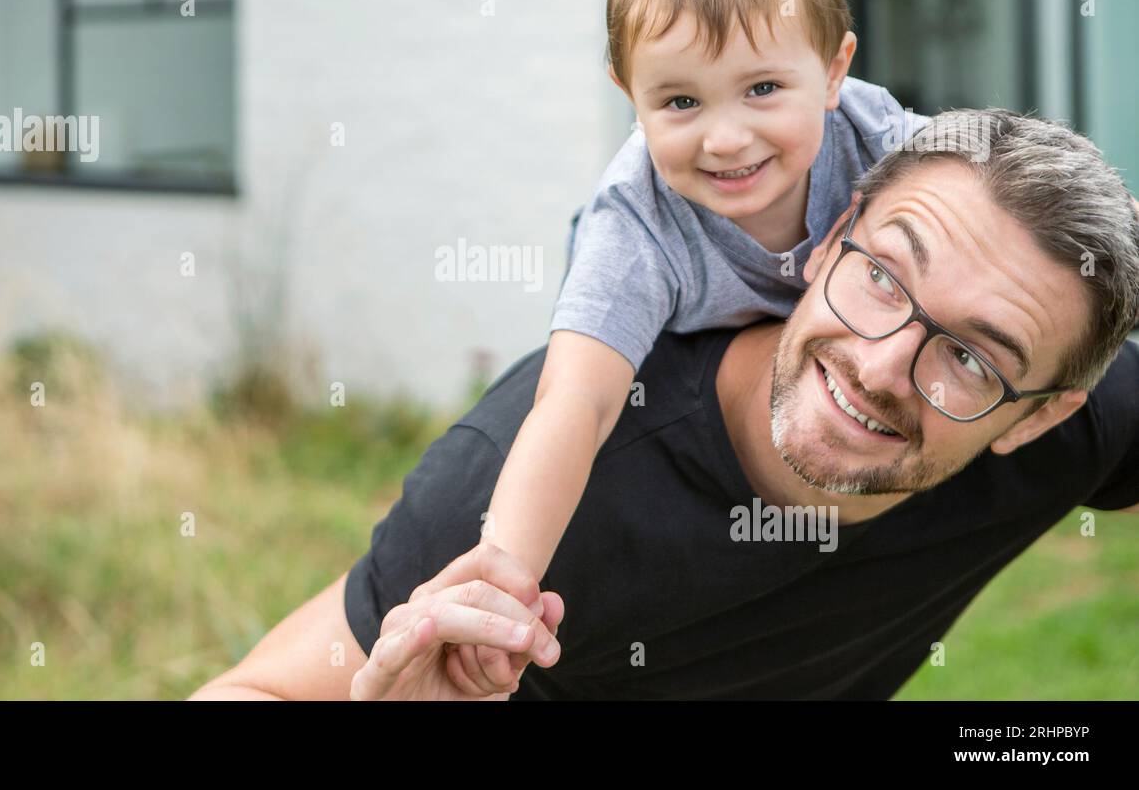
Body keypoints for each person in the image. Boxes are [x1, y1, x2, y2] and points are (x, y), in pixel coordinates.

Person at [190, 109, 1139, 700]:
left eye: (970, 359)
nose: (885, 365)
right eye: (885, 276)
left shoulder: (1081, 430)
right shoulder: (526, 504)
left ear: (1042, 415)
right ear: (828, 237)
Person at [464, 0, 932, 693]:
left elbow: (1006, 193)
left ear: (832, 71)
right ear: (628, 96)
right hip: (685, 403)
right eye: (680, 101)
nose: (725, 138)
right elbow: (577, 403)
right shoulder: (634, 227)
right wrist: (503, 576)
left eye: (762, 91)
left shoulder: (875, 134)